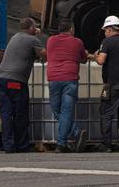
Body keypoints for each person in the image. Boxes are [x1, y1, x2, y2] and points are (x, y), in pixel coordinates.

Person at [0, 17, 46, 153]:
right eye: (34, 27)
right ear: (31, 28)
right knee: (20, 113)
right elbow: (45, 56)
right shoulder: (32, 39)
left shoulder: (15, 37)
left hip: (1, 78)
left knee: (6, 114)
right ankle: (22, 146)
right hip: (15, 81)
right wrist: (38, 36)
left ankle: (8, 146)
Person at [46, 17, 89, 153]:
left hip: (54, 79)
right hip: (70, 79)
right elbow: (83, 59)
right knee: (65, 111)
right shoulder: (77, 42)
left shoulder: (50, 40)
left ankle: (62, 143)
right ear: (71, 29)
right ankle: (76, 132)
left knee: (56, 110)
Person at [94, 15, 119, 152]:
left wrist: (95, 55)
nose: (105, 32)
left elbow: (101, 61)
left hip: (113, 84)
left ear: (110, 29)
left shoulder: (107, 42)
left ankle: (106, 144)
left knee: (107, 113)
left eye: (105, 30)